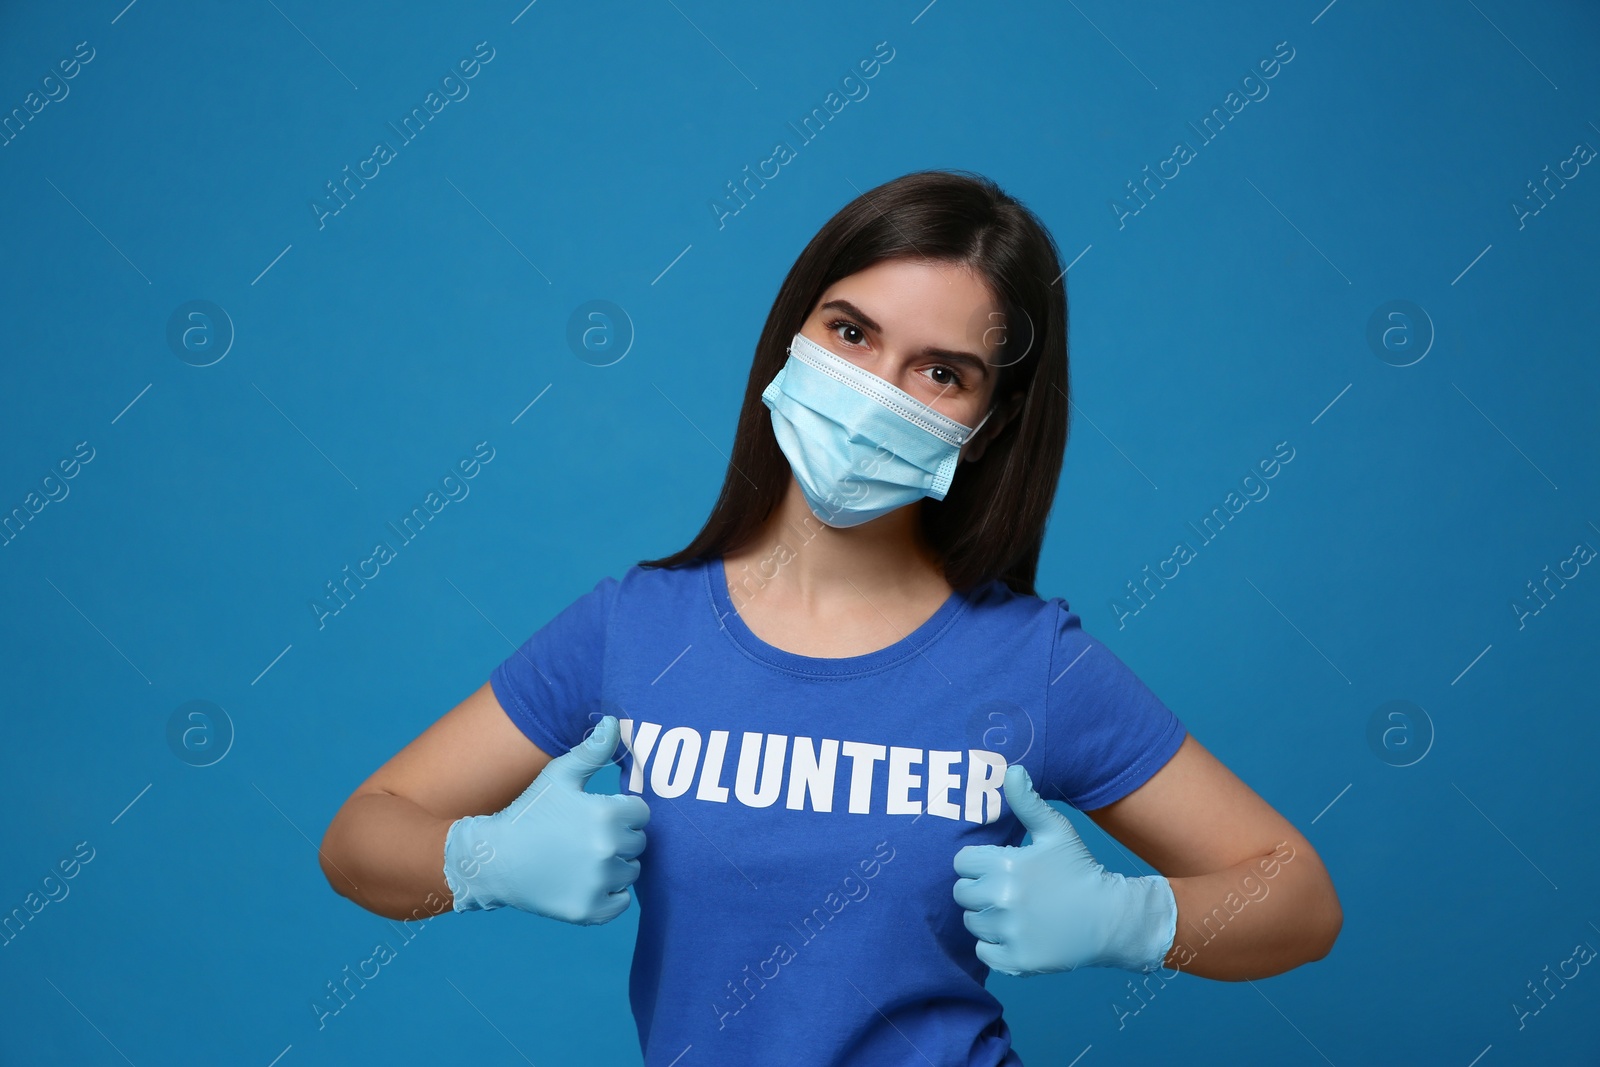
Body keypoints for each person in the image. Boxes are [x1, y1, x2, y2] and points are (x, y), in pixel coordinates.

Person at [319, 169, 1343, 1066]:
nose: (872, 391)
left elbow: (1298, 899)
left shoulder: (1028, 664)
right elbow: (361, 835)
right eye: (849, 332)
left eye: (940, 371)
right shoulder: (634, 630)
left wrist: (1133, 917)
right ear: (792, 334)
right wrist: (479, 859)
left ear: (988, 426)